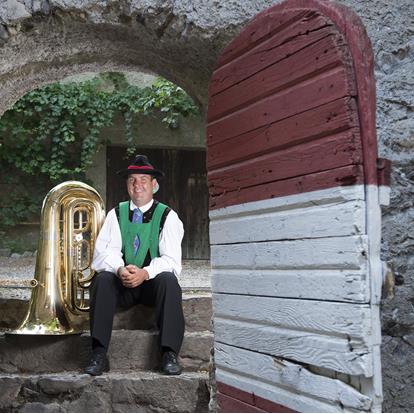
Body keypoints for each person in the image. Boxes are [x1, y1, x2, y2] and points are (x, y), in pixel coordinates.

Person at [84, 154, 185, 376]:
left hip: (151, 287)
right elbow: (103, 254)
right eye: (132, 180)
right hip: (123, 285)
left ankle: (169, 353)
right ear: (127, 185)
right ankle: (99, 353)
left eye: (143, 180)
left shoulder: (168, 216)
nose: (137, 185)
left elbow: (172, 261)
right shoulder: (116, 214)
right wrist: (121, 269)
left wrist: (145, 273)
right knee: (101, 280)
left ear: (154, 185)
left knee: (169, 279)